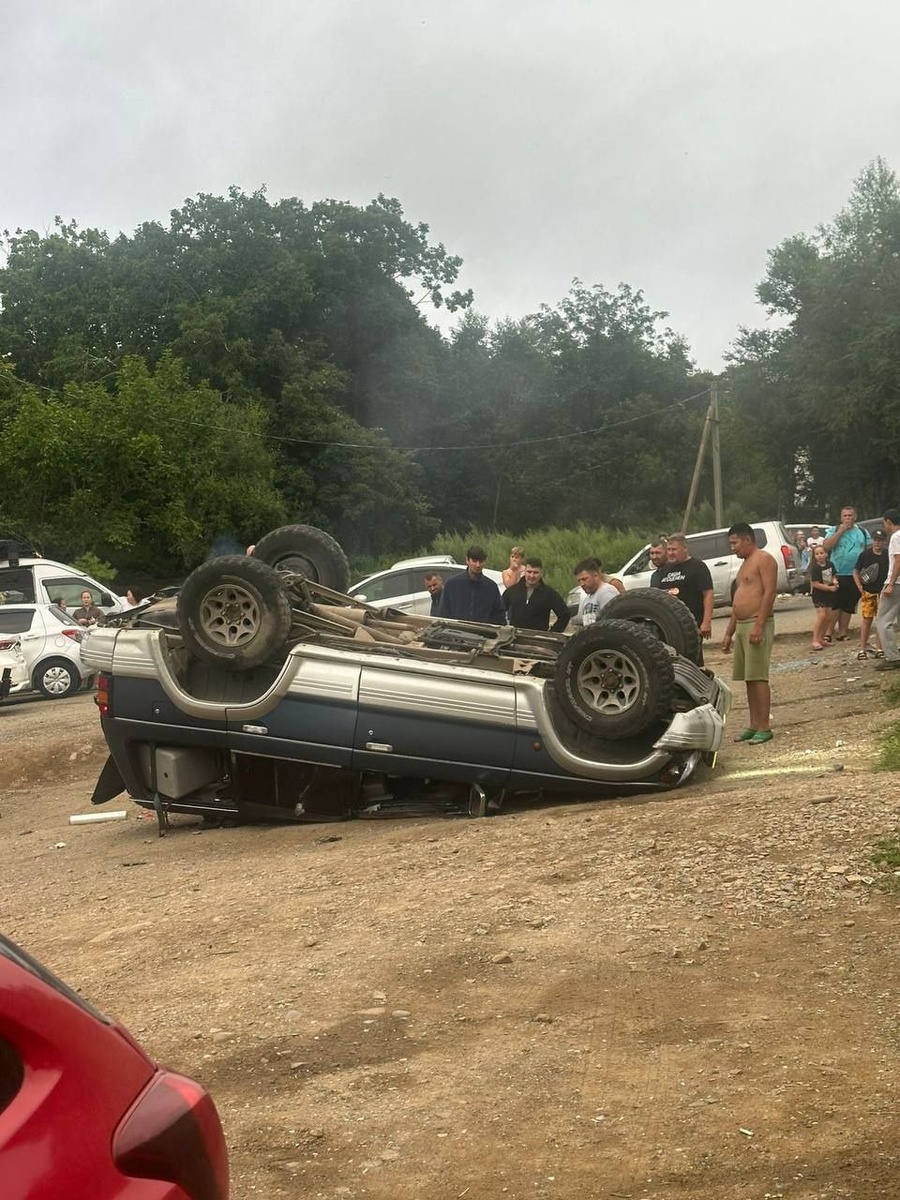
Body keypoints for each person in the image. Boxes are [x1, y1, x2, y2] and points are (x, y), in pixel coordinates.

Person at [721, 522, 777, 744]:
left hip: (757, 622)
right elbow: (739, 599)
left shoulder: (764, 559)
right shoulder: (744, 564)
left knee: (758, 676)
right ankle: (754, 724)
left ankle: (764, 726)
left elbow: (770, 592)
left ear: (747, 539)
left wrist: (759, 625)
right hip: (743, 624)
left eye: (734, 543)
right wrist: (729, 632)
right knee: (748, 678)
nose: (732, 548)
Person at [653, 533, 714, 661]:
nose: (670, 553)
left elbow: (708, 594)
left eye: (674, 549)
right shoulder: (665, 570)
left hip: (692, 625)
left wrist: (706, 622)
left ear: (684, 548)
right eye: (669, 550)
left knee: (693, 661)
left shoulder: (697, 567)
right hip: (670, 625)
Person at [822, 507, 870, 642]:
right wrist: (840, 531)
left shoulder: (862, 531)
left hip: (854, 573)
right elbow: (826, 546)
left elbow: (868, 549)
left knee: (849, 604)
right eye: (845, 516)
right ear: (841, 517)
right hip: (835, 572)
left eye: (850, 515)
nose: (848, 518)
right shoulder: (834, 530)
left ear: (855, 517)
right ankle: (828, 633)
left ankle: (842, 632)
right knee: (834, 603)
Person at [437, 546, 506, 624]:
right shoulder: (452, 585)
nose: (477, 565)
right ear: (467, 560)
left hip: (483, 631)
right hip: (456, 630)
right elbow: (443, 614)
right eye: (474, 561)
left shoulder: (491, 587)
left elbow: (499, 616)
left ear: (485, 562)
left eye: (481, 561)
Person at [502, 557, 570, 633]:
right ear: (524, 571)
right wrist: (503, 629)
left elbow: (565, 614)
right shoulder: (512, 591)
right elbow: (499, 610)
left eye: (535, 572)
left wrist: (552, 633)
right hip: (515, 636)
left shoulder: (549, 594)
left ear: (541, 573)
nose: (532, 576)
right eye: (529, 572)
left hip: (538, 638)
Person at [853, 530, 888, 660]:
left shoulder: (887, 555)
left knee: (881, 621)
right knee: (867, 620)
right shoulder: (865, 555)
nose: (877, 543)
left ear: (884, 542)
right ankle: (862, 649)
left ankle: (880, 648)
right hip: (868, 592)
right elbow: (856, 571)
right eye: (875, 540)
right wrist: (859, 587)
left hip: (883, 592)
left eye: (880, 540)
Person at [875, 510, 900, 672]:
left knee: (883, 620)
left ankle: (892, 656)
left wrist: (890, 583)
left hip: (896, 582)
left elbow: (898, 560)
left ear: (889, 522)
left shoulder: (896, 537)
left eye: (884, 523)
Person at [570, 557, 619, 626]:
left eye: (584, 579)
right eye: (579, 581)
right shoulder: (588, 598)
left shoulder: (606, 592)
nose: (581, 584)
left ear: (596, 576)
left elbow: (612, 623)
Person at [808, 544, 839, 651]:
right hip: (819, 594)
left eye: (821, 553)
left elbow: (833, 576)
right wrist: (829, 588)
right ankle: (815, 640)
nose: (820, 556)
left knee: (829, 617)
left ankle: (821, 638)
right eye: (817, 554)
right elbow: (815, 583)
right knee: (822, 616)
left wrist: (835, 582)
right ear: (814, 556)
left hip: (829, 593)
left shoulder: (830, 564)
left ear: (826, 554)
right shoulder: (815, 568)